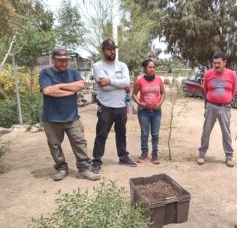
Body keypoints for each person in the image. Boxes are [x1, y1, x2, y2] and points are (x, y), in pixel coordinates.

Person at [39, 47, 100, 181]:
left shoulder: (72, 72)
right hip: (51, 118)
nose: (64, 63)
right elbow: (48, 91)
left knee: (80, 142)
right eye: (60, 60)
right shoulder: (46, 73)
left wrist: (59, 86)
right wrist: (69, 90)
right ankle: (61, 168)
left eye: (66, 60)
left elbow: (80, 85)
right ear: (53, 59)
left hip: (72, 117)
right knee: (54, 145)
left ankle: (84, 170)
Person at [90, 38, 137, 174]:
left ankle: (123, 157)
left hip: (121, 106)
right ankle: (96, 161)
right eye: (109, 49)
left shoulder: (122, 65)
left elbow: (127, 82)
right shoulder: (98, 66)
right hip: (105, 106)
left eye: (114, 49)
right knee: (102, 134)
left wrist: (110, 81)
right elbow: (103, 87)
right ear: (103, 50)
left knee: (121, 133)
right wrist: (119, 85)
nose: (112, 51)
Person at [197, 51, 237, 167]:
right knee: (206, 131)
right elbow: (204, 88)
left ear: (225, 62)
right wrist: (212, 99)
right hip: (211, 107)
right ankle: (202, 154)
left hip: (225, 108)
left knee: (226, 133)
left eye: (219, 63)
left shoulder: (232, 74)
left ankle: (229, 156)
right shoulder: (208, 74)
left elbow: (234, 90)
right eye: (214, 63)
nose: (216, 65)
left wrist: (225, 99)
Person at [131, 59, 166, 164]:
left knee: (155, 134)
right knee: (145, 133)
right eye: (150, 67)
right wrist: (139, 103)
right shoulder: (140, 81)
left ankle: (155, 154)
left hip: (156, 111)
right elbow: (134, 94)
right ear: (145, 69)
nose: (152, 69)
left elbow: (163, 93)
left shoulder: (159, 80)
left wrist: (160, 103)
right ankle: (144, 154)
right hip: (144, 111)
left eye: (153, 67)